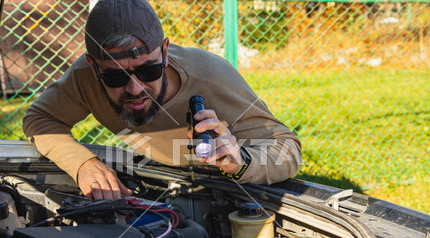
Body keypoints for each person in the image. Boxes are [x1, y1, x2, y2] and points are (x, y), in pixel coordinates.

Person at [23, 0, 302, 201]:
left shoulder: (210, 75)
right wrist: (82, 163)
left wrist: (240, 162)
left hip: (222, 193)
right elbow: (39, 119)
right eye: (115, 77)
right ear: (93, 67)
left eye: (148, 70)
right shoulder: (84, 77)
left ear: (165, 52)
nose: (135, 89)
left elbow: (288, 148)